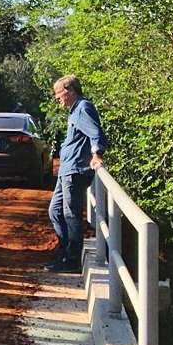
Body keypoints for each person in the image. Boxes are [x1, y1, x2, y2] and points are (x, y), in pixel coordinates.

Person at [47, 74, 108, 273]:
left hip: (75, 170)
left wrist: (96, 155)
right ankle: (64, 254)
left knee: (70, 214)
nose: (57, 98)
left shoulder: (83, 107)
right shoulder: (74, 111)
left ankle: (71, 260)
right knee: (55, 211)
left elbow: (96, 134)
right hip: (66, 169)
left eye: (58, 93)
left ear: (70, 90)